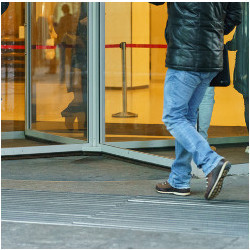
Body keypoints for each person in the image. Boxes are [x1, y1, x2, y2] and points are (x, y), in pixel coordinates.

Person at [151, 3, 242, 200]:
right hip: (211, 57)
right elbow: (236, 13)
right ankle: (179, 180)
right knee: (187, 118)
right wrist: (212, 30)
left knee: (173, 117)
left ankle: (211, 162)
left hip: (185, 56)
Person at [226, 2, 249, 153]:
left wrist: (224, 45)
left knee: (249, 103)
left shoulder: (244, 9)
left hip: (246, 68)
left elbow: (237, 42)